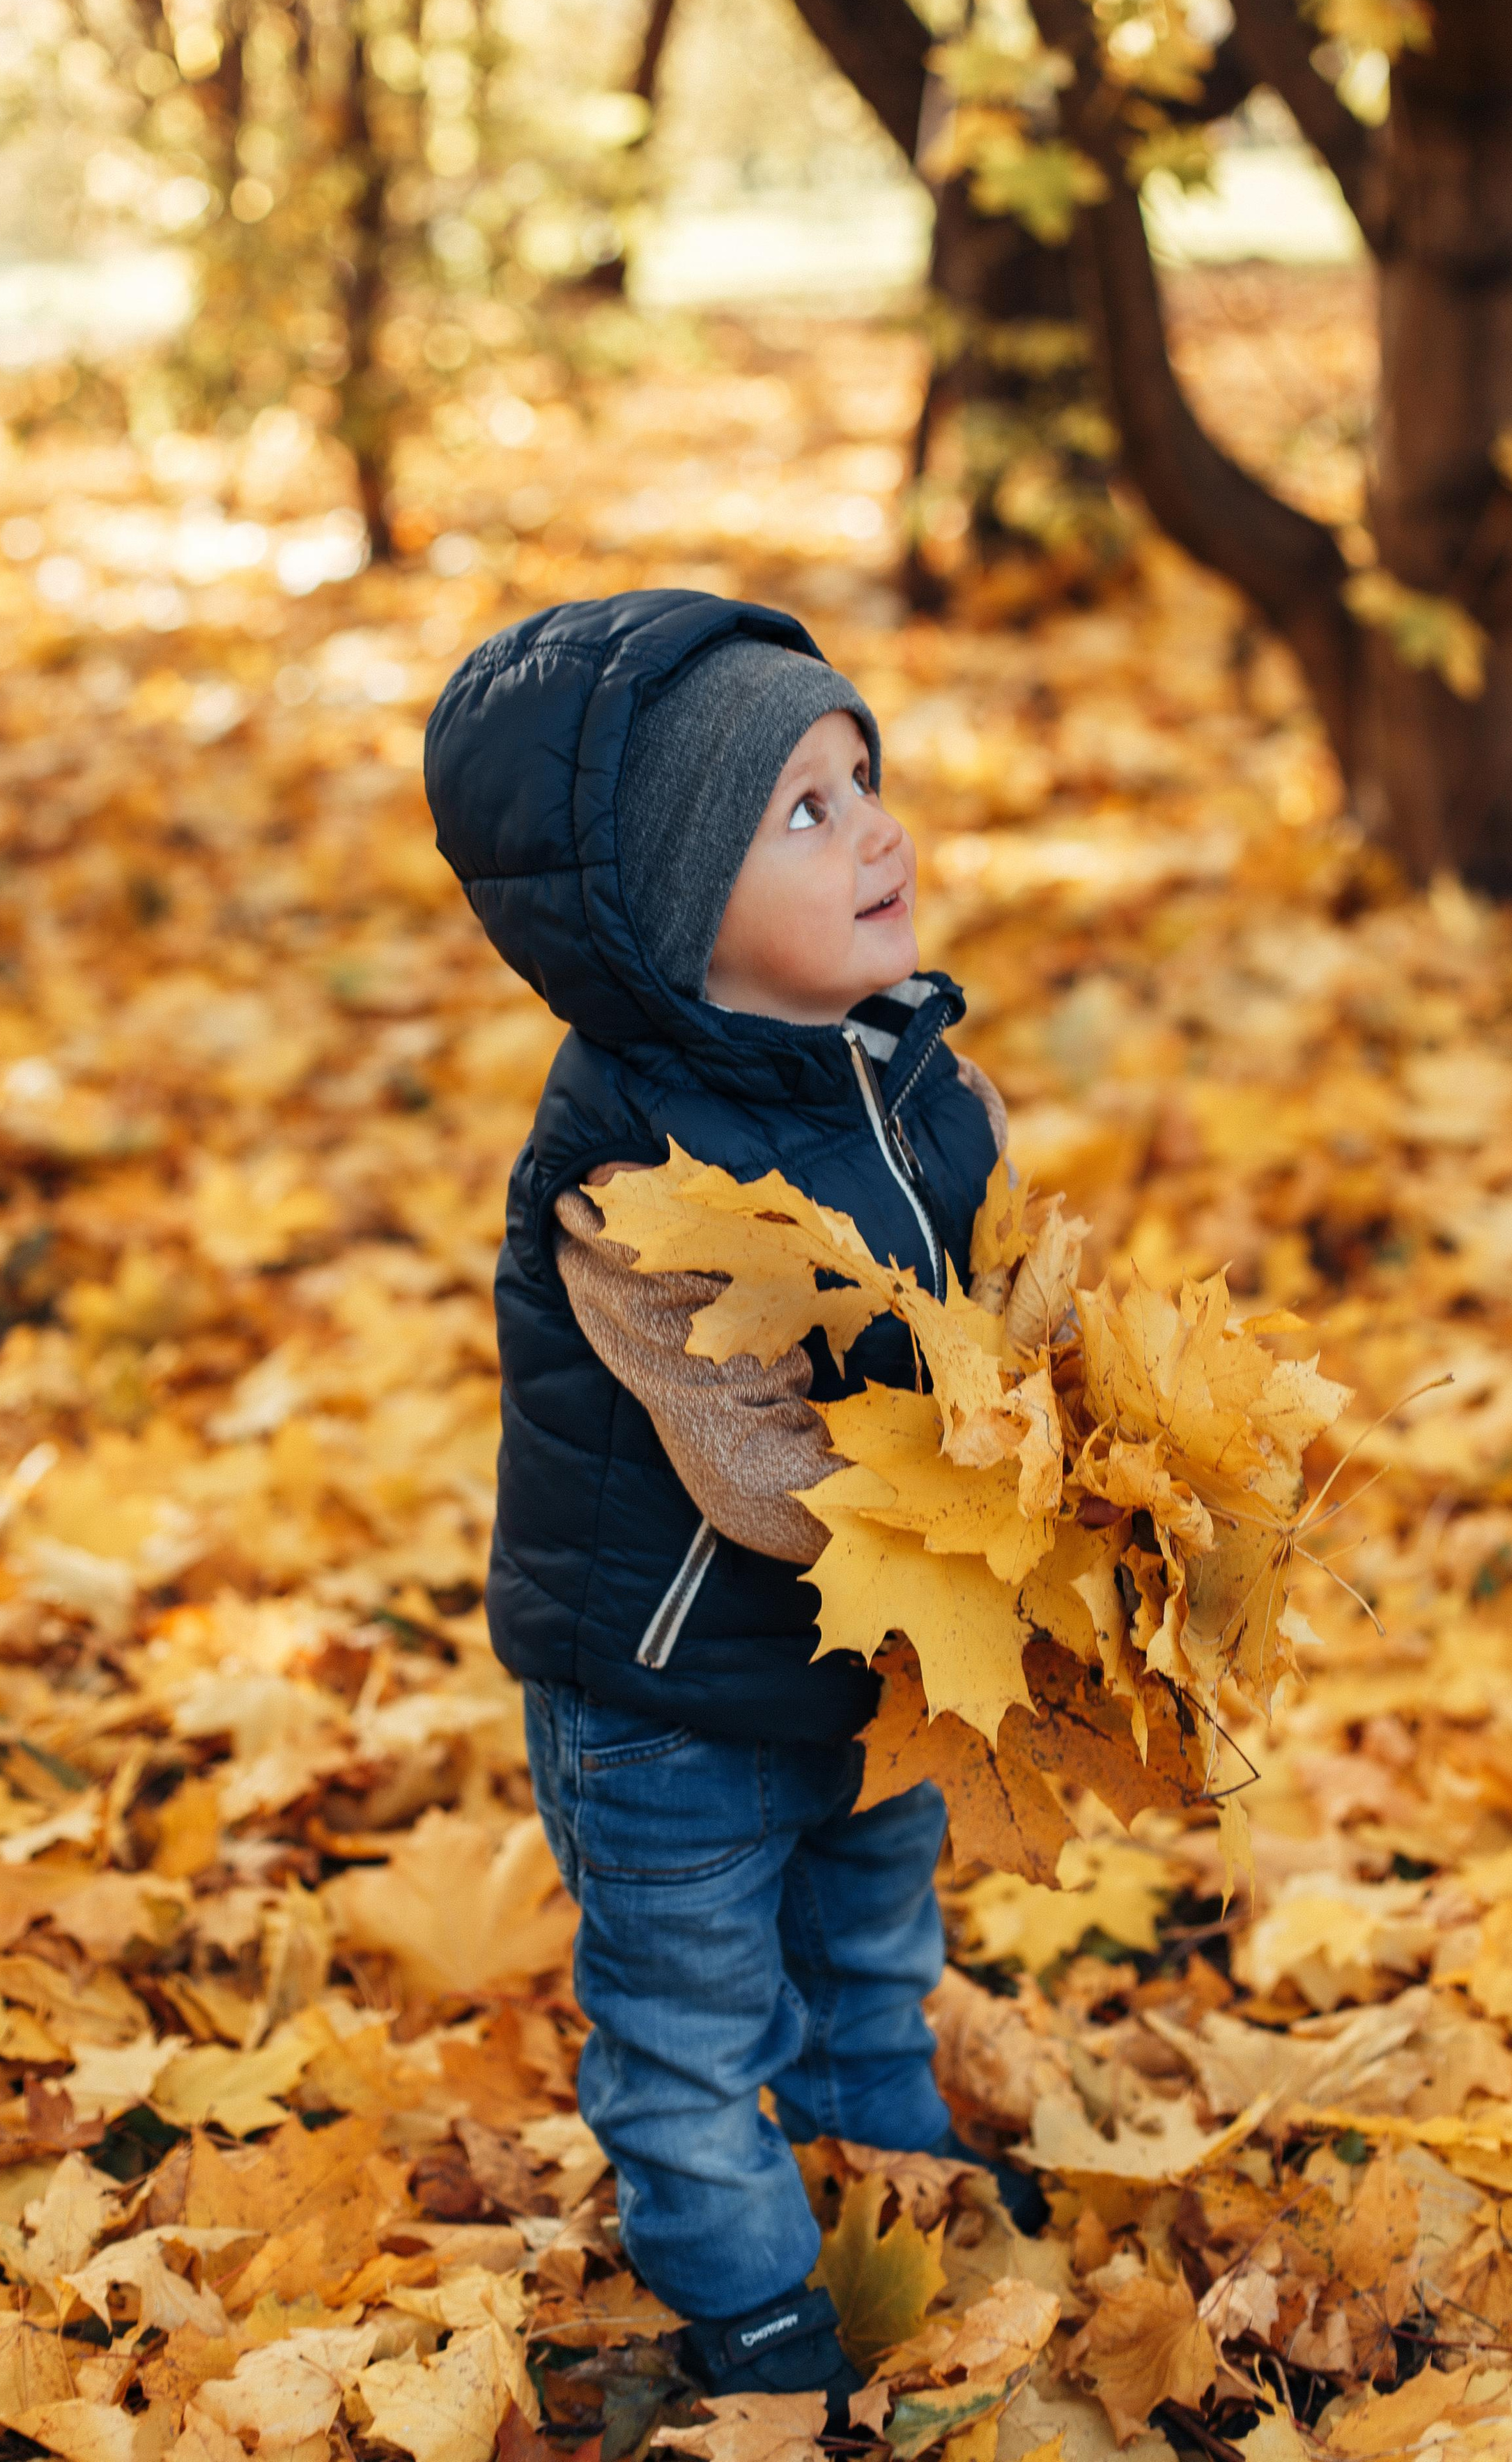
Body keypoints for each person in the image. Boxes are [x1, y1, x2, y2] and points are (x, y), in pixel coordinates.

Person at [423, 591, 1042, 2422]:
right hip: (674, 1697)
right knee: (693, 2021)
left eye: (864, 778)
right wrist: (993, 1509)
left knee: (870, 1942)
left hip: (869, 1676)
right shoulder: (626, 1181)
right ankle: (747, 2292)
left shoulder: (926, 1081)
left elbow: (1015, 1306)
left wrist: (1075, 1414)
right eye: (802, 812)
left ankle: (881, 2158)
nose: (876, 830)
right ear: (671, 914)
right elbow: (765, 1478)